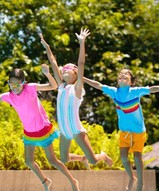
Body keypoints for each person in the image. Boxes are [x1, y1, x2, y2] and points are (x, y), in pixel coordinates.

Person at [0, 64, 80, 191]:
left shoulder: (31, 88)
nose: (14, 88)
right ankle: (45, 181)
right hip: (29, 133)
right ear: (8, 83)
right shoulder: (9, 96)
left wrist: (47, 74)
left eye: (17, 85)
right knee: (28, 161)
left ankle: (73, 182)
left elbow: (53, 86)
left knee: (52, 161)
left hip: (43, 129)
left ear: (24, 83)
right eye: (11, 85)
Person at [84, 69, 159, 191]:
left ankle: (140, 183)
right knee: (124, 158)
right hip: (124, 131)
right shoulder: (114, 92)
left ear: (131, 82)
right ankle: (132, 177)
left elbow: (152, 89)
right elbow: (98, 85)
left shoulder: (135, 92)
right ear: (118, 81)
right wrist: (83, 78)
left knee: (136, 157)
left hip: (138, 131)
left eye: (126, 74)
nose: (123, 75)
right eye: (120, 74)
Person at [39, 29, 113, 170]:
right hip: (64, 130)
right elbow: (53, 62)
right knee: (65, 159)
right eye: (64, 68)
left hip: (76, 130)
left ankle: (102, 156)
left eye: (69, 69)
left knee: (93, 160)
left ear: (76, 74)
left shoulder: (77, 88)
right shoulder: (61, 87)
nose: (65, 69)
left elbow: (81, 63)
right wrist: (47, 47)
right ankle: (81, 159)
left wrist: (82, 42)